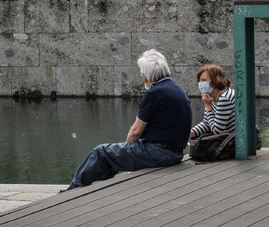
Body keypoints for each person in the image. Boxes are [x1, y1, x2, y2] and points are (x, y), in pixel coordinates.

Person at [68, 49, 192, 189]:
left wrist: (128, 149)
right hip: (176, 153)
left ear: (146, 76)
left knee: (101, 152)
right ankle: (95, 186)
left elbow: (135, 132)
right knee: (114, 154)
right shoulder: (177, 89)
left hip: (160, 154)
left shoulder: (155, 93)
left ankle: (73, 189)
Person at [189, 64, 235, 139]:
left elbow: (217, 131)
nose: (200, 83)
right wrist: (189, 133)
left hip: (231, 142)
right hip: (225, 139)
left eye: (203, 80)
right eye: (199, 80)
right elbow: (207, 123)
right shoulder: (212, 97)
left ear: (214, 81)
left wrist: (208, 106)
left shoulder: (225, 98)